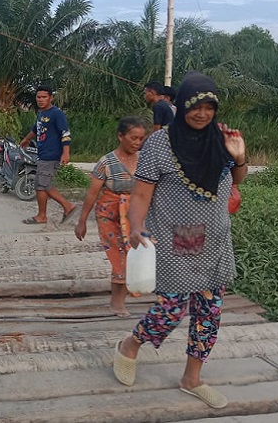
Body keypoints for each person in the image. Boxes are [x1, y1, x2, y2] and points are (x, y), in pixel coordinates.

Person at [113, 71, 248, 409]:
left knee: (209, 312)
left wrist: (240, 156)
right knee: (173, 307)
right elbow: (142, 192)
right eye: (194, 106)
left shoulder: (221, 136)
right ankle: (132, 343)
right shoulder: (161, 143)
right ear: (183, 103)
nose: (201, 113)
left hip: (216, 237)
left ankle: (192, 378)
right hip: (181, 236)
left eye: (208, 106)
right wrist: (136, 226)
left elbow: (237, 179)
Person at [74, 117, 148, 317]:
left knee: (134, 254)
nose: (137, 143)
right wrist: (82, 221)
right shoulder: (106, 163)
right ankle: (117, 302)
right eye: (133, 138)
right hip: (110, 215)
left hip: (135, 215)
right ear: (120, 136)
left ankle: (128, 290)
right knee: (120, 255)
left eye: (141, 139)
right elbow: (92, 194)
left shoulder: (145, 160)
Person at [19, 86, 76, 224]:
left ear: (51, 97)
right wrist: (27, 139)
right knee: (40, 185)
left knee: (43, 185)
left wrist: (66, 152)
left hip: (51, 155)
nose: (40, 100)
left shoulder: (56, 113)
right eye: (38, 97)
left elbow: (65, 133)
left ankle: (67, 206)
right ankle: (42, 215)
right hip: (43, 154)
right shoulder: (41, 113)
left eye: (44, 97)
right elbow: (35, 129)